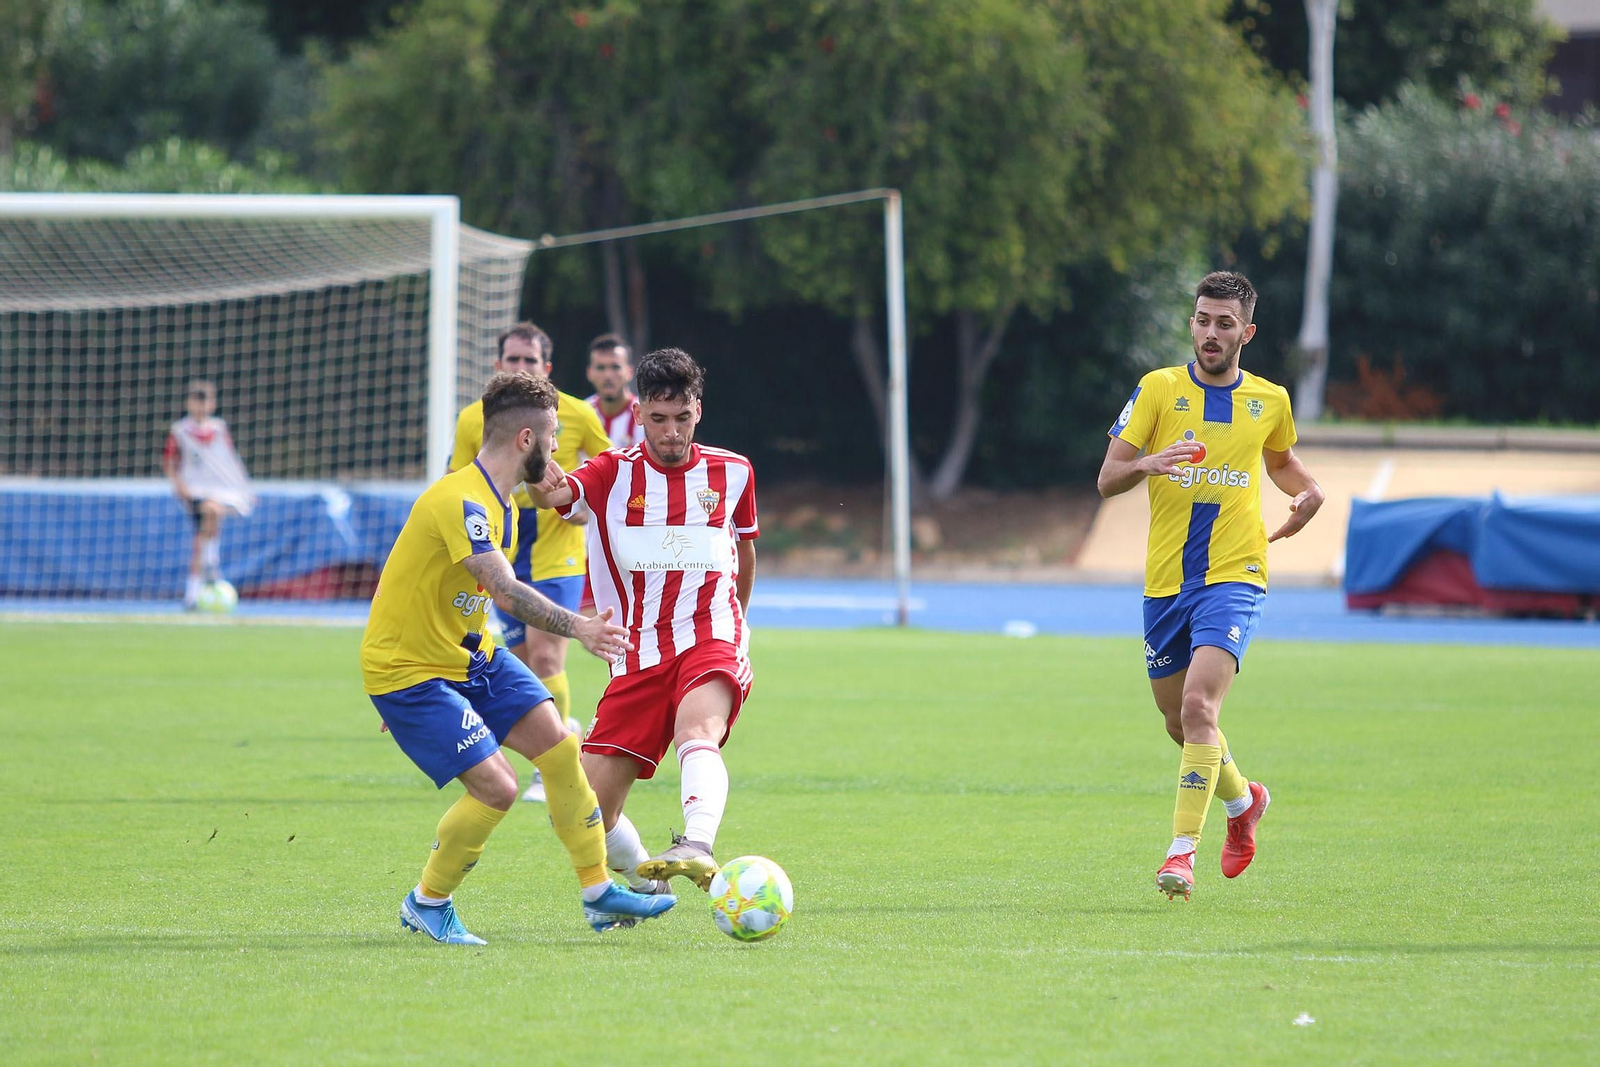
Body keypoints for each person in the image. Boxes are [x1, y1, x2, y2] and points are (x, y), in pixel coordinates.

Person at [362, 372, 675, 943]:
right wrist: (579, 626)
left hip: (468, 656)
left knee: (559, 750)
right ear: (526, 439)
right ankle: (427, 902)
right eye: (553, 435)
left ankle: (599, 892)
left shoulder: (502, 499)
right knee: (499, 789)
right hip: (408, 670)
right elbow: (503, 591)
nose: (559, 448)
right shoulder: (462, 501)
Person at [1096, 271, 1324, 902]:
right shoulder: (1158, 391)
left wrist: (1307, 492)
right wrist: (1146, 462)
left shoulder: (1270, 400)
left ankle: (1180, 856)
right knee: (1179, 722)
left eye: (1226, 323)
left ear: (1246, 332)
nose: (1211, 332)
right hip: (1165, 582)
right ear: (1191, 323)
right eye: (1203, 319)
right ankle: (1245, 800)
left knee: (1200, 708)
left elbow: (1280, 462)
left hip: (1236, 574)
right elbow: (1107, 478)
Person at [526, 347, 758, 894]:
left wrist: (738, 623)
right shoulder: (612, 473)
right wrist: (535, 450)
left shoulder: (734, 472)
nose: (671, 432)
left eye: (682, 417)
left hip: (710, 634)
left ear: (698, 409)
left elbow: (744, 551)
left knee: (698, 732)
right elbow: (549, 495)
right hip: (639, 654)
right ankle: (645, 884)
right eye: (659, 419)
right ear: (640, 414)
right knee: (580, 811)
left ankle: (697, 843)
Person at [448, 323, 614, 802]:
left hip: (557, 550)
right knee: (521, 667)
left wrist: (579, 508)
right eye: (512, 360)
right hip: (500, 550)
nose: (520, 368)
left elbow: (612, 477)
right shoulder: (471, 420)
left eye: (530, 361)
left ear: (547, 368)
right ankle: (561, 729)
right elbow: (455, 483)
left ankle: (552, 769)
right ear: (498, 365)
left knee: (546, 655)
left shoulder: (578, 414)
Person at [163, 379, 254, 609]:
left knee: (204, 536)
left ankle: (192, 595)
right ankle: (212, 563)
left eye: (205, 402)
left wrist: (243, 487)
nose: (200, 407)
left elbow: (229, 460)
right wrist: (178, 485)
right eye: (196, 401)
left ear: (212, 404)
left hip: (218, 490)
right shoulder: (180, 431)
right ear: (189, 403)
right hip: (194, 490)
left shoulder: (218, 429)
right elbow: (169, 462)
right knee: (211, 513)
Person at [584, 334, 644, 448]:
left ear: (630, 372)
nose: (608, 375)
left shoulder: (646, 416)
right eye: (600, 368)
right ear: (589, 373)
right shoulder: (581, 413)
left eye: (615, 367)